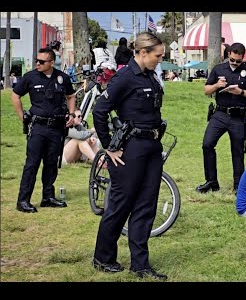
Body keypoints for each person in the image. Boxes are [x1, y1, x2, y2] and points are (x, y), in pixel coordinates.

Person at [91, 31, 167, 280]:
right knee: (121, 205)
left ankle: (140, 265)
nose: (160, 60)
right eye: (158, 55)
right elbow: (100, 110)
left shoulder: (151, 77)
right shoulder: (124, 77)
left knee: (146, 207)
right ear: (143, 52)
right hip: (130, 149)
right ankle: (103, 258)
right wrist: (108, 147)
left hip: (152, 147)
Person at [11, 47, 76, 213]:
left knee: (51, 164)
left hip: (56, 127)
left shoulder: (62, 78)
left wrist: (71, 113)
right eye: (37, 61)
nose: (37, 64)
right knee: (32, 165)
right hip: (38, 127)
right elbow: (15, 95)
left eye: (42, 61)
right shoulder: (30, 77)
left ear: (52, 62)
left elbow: (71, 95)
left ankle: (48, 197)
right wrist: (22, 117)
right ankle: (23, 200)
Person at [196, 42, 246, 193]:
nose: (235, 63)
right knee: (207, 144)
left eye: (238, 61)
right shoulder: (219, 69)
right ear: (228, 55)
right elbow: (206, 90)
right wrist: (217, 85)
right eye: (232, 60)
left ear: (243, 58)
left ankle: (238, 185)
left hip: (238, 116)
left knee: (237, 150)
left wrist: (242, 92)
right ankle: (211, 181)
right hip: (219, 114)